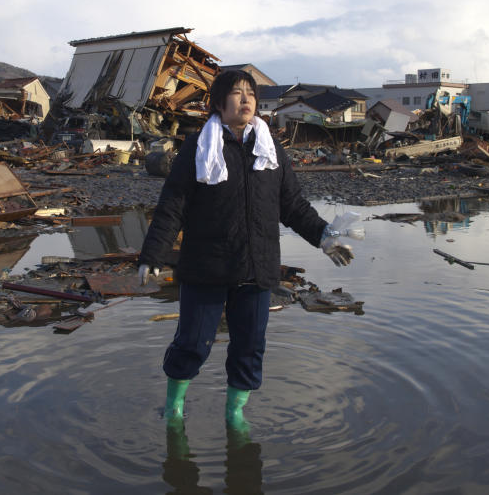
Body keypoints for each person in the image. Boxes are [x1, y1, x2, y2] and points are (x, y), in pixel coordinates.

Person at [137, 69, 354, 431]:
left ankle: (234, 412)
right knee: (192, 342)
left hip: (257, 266)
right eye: (237, 93)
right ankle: (174, 406)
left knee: (250, 345)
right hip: (206, 266)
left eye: (250, 93)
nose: (246, 99)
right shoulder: (197, 148)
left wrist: (324, 237)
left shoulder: (270, 150)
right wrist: (152, 255)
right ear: (219, 103)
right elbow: (173, 206)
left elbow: (293, 206)